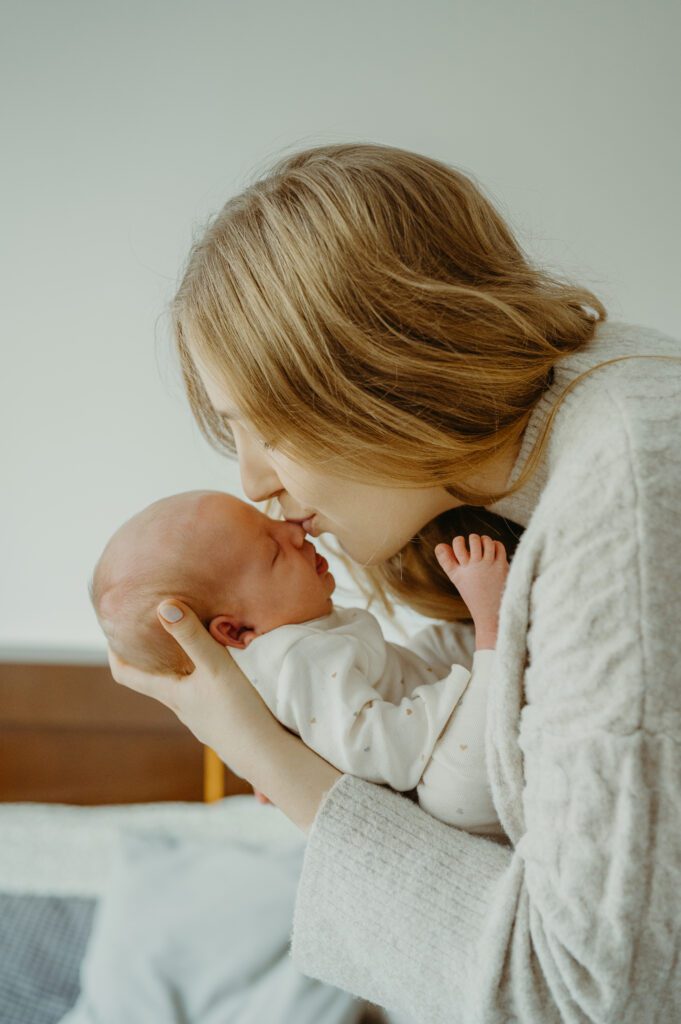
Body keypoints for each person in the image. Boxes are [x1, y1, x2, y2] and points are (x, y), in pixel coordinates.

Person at [106, 142, 681, 1023]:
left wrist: (264, 754)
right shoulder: (587, 438)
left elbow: (588, 998)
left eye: (258, 425)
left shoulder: (628, 488)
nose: (255, 481)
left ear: (368, 367)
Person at [90, 488, 510, 834]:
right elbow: (378, 748)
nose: (294, 532)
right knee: (457, 776)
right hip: (441, 784)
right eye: (272, 550)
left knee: (436, 642)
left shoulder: (288, 651)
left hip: (415, 711)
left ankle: (488, 651)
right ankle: (495, 633)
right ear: (234, 631)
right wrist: (460, 688)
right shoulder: (294, 660)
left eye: (272, 521)